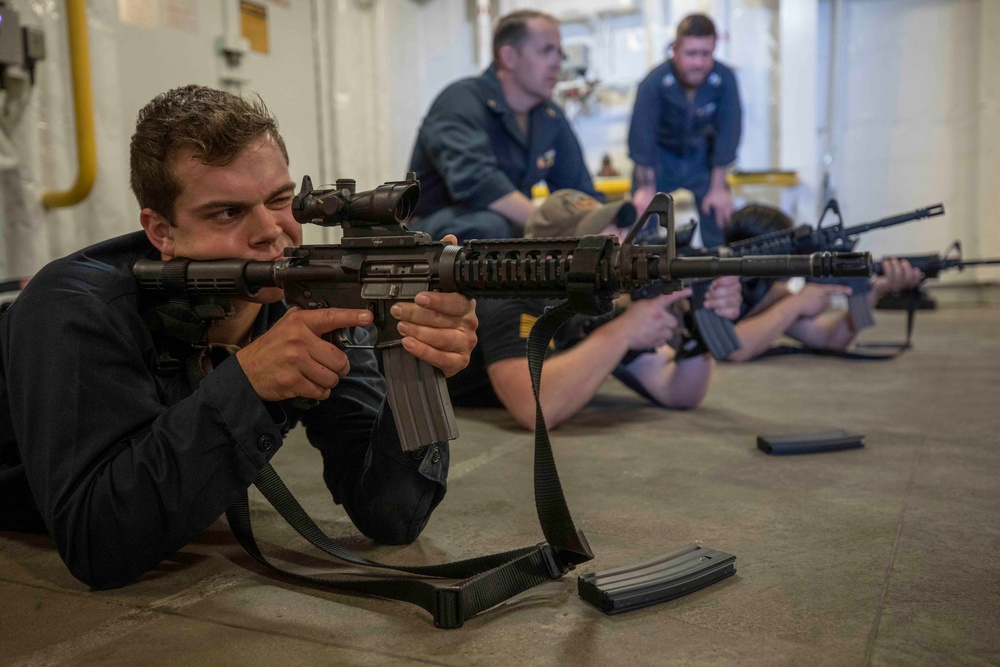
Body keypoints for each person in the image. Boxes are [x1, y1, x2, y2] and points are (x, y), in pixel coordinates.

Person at [0, 85, 478, 589]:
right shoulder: (76, 309)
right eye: (228, 213)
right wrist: (247, 385)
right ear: (161, 231)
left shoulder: (309, 294)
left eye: (280, 201)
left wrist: (422, 352)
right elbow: (95, 541)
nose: (270, 231)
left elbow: (391, 513)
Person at [446, 189, 743, 430]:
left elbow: (677, 390)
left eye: (617, 234)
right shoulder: (512, 299)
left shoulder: (597, 301)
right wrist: (622, 332)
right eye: (602, 240)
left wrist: (699, 317)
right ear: (551, 256)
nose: (621, 243)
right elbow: (533, 408)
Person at [407, 9, 601, 243]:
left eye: (559, 53)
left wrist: (607, 227)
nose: (557, 63)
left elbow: (579, 191)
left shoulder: (548, 116)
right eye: (546, 51)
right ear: (508, 57)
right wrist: (554, 228)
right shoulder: (460, 101)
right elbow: (479, 184)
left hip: (505, 229)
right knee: (492, 228)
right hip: (437, 233)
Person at [722, 204, 924, 361]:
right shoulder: (717, 284)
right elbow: (733, 350)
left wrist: (873, 292)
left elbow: (830, 340)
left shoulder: (771, 295)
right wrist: (796, 304)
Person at [627, 13, 742, 249]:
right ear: (675, 50)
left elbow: (729, 132)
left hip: (702, 159)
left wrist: (719, 187)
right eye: (691, 53)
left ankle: (716, 270)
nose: (698, 63)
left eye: (706, 54)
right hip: (659, 161)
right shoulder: (653, 83)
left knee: (720, 216)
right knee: (641, 221)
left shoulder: (724, 79)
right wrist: (645, 188)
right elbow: (642, 136)